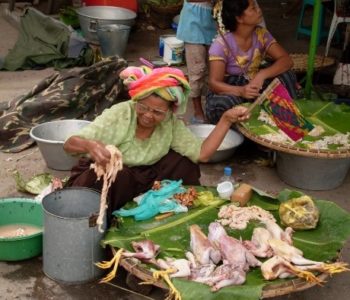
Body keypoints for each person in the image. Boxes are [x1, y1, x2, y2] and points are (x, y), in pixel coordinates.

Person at [63, 65, 249, 222]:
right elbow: (69, 144)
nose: (148, 115)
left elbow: (202, 153)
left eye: (158, 112)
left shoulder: (170, 123)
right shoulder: (120, 114)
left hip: (146, 175)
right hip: (117, 179)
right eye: (143, 107)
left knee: (184, 164)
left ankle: (172, 213)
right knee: (113, 177)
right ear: (135, 100)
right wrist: (91, 146)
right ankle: (106, 223)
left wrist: (226, 120)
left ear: (169, 111)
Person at [206, 0, 297, 124]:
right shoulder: (220, 45)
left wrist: (261, 74)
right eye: (253, 8)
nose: (259, 10)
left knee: (287, 75)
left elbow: (286, 60)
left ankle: (290, 121)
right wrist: (241, 91)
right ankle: (242, 138)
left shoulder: (261, 34)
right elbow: (214, 83)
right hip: (231, 90)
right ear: (239, 18)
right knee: (225, 103)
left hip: (254, 84)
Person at [176, 0, 217, 123]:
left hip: (213, 22)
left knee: (214, 68)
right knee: (197, 70)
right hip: (192, 25)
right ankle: (198, 110)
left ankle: (212, 106)